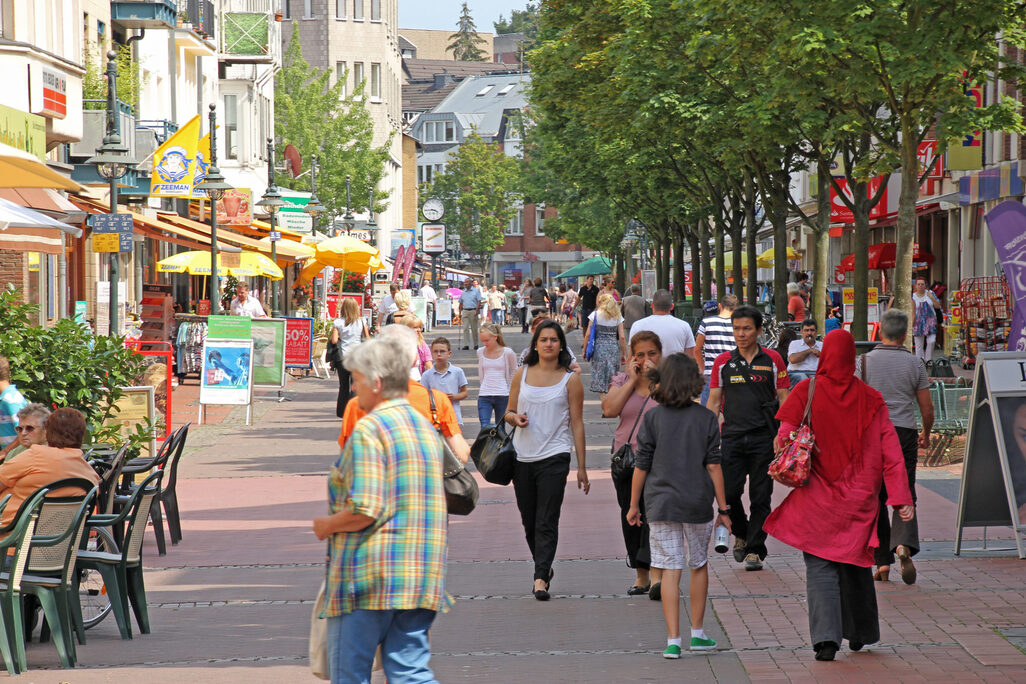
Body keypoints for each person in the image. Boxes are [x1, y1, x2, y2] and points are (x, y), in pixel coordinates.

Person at [765, 330, 914, 662]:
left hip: (817, 493)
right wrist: (901, 498)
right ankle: (860, 632)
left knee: (819, 564)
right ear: (853, 359)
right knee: (854, 561)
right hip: (859, 497)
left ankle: (825, 640)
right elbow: (891, 453)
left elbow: (785, 434)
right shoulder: (872, 399)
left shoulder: (807, 390)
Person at [312, 335, 450, 683]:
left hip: (369, 576)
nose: (353, 390)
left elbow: (366, 508)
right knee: (410, 672)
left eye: (356, 380)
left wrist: (327, 525)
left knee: (351, 674)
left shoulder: (370, 428)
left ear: (376, 383)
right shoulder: (423, 427)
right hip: (419, 572)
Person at [626, 353, 731, 658]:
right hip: (697, 501)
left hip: (660, 502)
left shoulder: (653, 418)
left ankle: (673, 641)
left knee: (670, 570)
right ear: (693, 382)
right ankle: (697, 634)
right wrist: (723, 509)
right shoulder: (706, 419)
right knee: (698, 564)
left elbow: (641, 466)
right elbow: (714, 466)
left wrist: (633, 505)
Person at [505, 320, 589, 601]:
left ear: (561, 345)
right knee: (529, 521)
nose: (549, 344)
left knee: (547, 519)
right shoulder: (522, 373)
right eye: (544, 340)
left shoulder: (570, 379)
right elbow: (509, 411)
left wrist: (582, 467)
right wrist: (515, 418)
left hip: (555, 455)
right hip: (522, 456)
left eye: (554, 340)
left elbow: (577, 423)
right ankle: (544, 564)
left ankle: (540, 577)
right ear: (536, 344)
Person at [706, 306, 789, 571]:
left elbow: (786, 401)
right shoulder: (723, 362)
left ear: (759, 330)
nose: (740, 334)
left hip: (765, 439)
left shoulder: (773, 360)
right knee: (728, 494)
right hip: (730, 438)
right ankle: (741, 533)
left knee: (761, 497)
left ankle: (755, 550)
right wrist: (706, 437)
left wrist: (782, 435)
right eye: (736, 328)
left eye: (747, 329)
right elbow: (714, 402)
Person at [855, 309, 933, 584]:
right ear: (904, 335)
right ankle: (903, 546)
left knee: (875, 496)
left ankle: (881, 562)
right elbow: (926, 407)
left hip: (872, 434)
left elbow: (854, 403)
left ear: (880, 332)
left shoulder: (862, 362)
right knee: (904, 491)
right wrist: (925, 432)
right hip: (903, 433)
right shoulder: (916, 364)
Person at [338, 326, 470, 463]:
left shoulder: (359, 404)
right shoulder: (436, 400)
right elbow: (461, 453)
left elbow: (347, 460)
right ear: (415, 360)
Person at [601, 331, 663, 599]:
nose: (646, 359)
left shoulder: (669, 381)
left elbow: (676, 406)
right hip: (626, 459)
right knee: (631, 515)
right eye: (640, 354)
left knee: (655, 517)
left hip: (659, 460)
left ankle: (658, 575)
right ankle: (641, 575)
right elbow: (609, 410)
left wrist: (655, 381)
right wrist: (633, 379)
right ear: (631, 357)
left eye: (652, 353)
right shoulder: (622, 379)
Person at [0, 407, 100, 527]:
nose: (24, 433)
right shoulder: (88, 474)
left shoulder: (36, 456)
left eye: (30, 428)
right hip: (58, 541)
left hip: (13, 537)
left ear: (46, 431)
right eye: (20, 429)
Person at [330, 298, 370, 418]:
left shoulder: (338, 322)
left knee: (343, 386)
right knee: (356, 385)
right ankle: (353, 411)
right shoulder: (362, 321)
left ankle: (342, 412)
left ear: (343, 308)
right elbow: (367, 338)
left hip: (343, 358)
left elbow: (334, 340)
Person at [694, 295, 737, 406]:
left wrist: (703, 369)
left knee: (707, 411)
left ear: (719, 306)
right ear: (736, 308)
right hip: (733, 372)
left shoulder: (706, 322)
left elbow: (697, 349)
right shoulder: (738, 325)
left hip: (711, 372)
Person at [628, 289, 697, 357]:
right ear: (672, 306)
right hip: (675, 367)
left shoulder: (637, 325)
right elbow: (690, 356)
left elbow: (631, 356)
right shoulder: (684, 326)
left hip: (647, 367)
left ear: (652, 305)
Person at [582, 293, 627, 395]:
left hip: (599, 349)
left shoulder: (595, 315)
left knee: (600, 378)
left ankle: (604, 405)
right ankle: (611, 404)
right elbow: (622, 337)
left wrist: (584, 350)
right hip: (613, 349)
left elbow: (588, 334)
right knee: (613, 378)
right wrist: (624, 354)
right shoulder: (617, 316)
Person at [476, 322, 518, 429]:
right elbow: (482, 373)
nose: (484, 343)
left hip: (502, 394)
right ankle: (486, 446)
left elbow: (515, 371)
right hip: (484, 394)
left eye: (486, 340)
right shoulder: (480, 352)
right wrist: (482, 386)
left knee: (500, 428)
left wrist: (509, 389)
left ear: (495, 337)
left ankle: (499, 446)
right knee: (484, 427)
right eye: (482, 341)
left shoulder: (507, 352)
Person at [421, 337, 469, 427]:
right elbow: (422, 395)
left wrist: (455, 396)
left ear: (449, 353)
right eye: (435, 351)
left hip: (453, 416)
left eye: (442, 351)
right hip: (435, 417)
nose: (439, 354)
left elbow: (465, 392)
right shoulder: (426, 375)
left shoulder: (457, 371)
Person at [0, 355, 28, 451]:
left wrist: (5, 452)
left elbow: (24, 432)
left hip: (17, 457)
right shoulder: (4, 398)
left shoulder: (11, 400)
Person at [911, 277, 942, 363]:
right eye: (919, 284)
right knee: (919, 345)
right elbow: (912, 311)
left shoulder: (930, 293)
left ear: (925, 285)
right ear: (916, 286)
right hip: (918, 323)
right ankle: (919, 362)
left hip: (930, 322)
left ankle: (928, 360)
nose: (920, 286)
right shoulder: (912, 297)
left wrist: (932, 297)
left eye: (922, 284)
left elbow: (938, 306)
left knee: (931, 341)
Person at [787, 319, 823, 387]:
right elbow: (793, 359)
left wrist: (822, 355)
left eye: (812, 330)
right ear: (801, 332)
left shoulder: (822, 345)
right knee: (803, 378)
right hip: (797, 374)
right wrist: (809, 351)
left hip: (816, 374)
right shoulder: (794, 344)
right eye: (806, 330)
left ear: (816, 332)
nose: (809, 333)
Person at [458, 281, 483, 350]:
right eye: (465, 284)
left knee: (474, 328)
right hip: (465, 311)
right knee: (465, 328)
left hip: (473, 310)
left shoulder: (476, 291)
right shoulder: (463, 292)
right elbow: (460, 303)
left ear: (470, 284)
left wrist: (476, 310)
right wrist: (460, 313)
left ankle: (476, 344)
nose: (465, 285)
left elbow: (479, 301)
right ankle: (466, 344)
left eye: (467, 283)